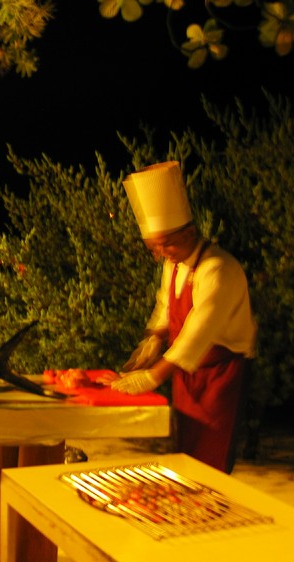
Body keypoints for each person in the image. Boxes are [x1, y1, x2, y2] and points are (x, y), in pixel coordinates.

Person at [107, 161, 257, 474]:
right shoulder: (173, 263)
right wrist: (154, 337)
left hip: (219, 376)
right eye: (154, 247)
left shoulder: (218, 269)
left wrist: (153, 376)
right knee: (186, 457)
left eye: (167, 243)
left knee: (211, 462)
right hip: (186, 373)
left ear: (190, 232)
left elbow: (197, 334)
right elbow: (166, 304)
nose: (161, 253)